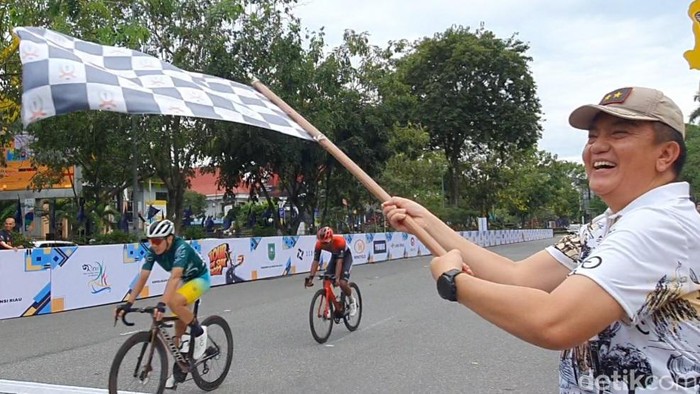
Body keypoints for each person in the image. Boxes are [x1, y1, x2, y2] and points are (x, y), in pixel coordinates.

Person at [383, 86, 700, 393]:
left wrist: (453, 282)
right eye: (593, 136)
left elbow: (554, 321)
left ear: (666, 154)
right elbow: (519, 277)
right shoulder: (610, 223)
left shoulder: (660, 224)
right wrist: (425, 223)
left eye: (619, 134)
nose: (597, 147)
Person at [114, 219, 211, 389]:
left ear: (170, 239)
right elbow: (143, 277)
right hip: (184, 280)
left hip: (199, 278)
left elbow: (174, 278)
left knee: (174, 302)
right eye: (150, 241)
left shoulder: (181, 248)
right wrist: (128, 303)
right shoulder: (153, 251)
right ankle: (181, 365)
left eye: (157, 241)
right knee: (177, 337)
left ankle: (199, 331)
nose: (154, 245)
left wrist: (161, 304)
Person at [304, 226, 357, 317]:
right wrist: (311, 277)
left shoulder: (339, 242)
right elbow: (316, 261)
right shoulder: (318, 244)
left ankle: (352, 301)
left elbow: (339, 262)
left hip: (346, 257)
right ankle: (328, 307)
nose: (324, 245)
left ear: (331, 238)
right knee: (326, 281)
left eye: (326, 243)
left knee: (342, 283)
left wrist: (336, 278)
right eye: (322, 243)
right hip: (335, 256)